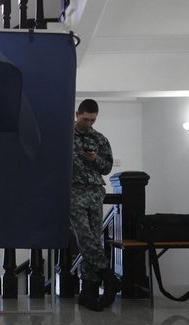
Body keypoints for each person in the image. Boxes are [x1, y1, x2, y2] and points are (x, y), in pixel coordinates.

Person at [71, 99, 121, 312]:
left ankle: (88, 292)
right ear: (77, 114)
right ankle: (109, 277)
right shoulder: (64, 136)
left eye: (92, 120)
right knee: (85, 238)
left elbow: (107, 168)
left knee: (94, 239)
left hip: (94, 192)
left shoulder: (100, 139)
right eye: (85, 119)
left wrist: (95, 158)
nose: (89, 123)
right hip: (74, 191)